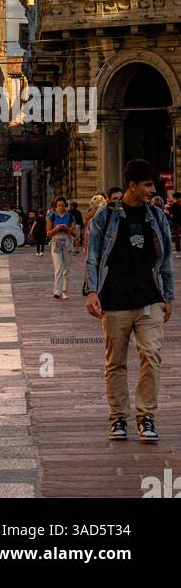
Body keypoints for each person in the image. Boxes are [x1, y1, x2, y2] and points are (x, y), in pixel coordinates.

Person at [85, 158, 174, 443]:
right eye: (148, 185)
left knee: (151, 355)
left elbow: (166, 260)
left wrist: (168, 296)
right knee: (116, 362)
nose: (152, 190)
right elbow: (93, 256)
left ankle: (146, 416)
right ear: (132, 186)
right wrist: (91, 291)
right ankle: (119, 418)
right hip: (114, 300)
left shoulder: (157, 216)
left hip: (149, 300)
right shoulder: (105, 216)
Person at [46, 196, 75, 299]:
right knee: (58, 266)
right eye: (58, 205)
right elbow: (48, 233)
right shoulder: (51, 217)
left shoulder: (70, 216)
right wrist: (57, 228)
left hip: (67, 242)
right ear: (55, 206)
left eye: (62, 205)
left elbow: (74, 233)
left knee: (66, 268)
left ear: (65, 206)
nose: (60, 207)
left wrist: (67, 229)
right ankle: (57, 290)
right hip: (56, 242)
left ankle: (64, 290)